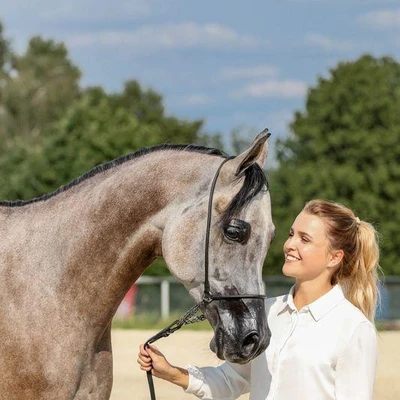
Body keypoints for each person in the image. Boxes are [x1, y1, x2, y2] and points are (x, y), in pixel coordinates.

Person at [137, 199, 381, 400]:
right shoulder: (266, 312)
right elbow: (230, 380)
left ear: (334, 257)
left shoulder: (354, 329)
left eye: (304, 239)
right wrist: (172, 373)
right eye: (291, 234)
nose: (289, 245)